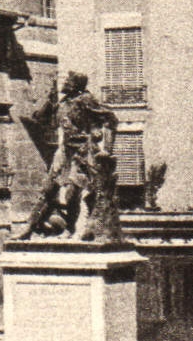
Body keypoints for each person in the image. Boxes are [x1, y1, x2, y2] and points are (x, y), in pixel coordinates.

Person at [19, 71, 121, 242]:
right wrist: (49, 101)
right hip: (64, 151)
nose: (64, 83)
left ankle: (70, 228)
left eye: (68, 80)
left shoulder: (86, 100)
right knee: (48, 189)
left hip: (82, 151)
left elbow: (111, 118)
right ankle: (29, 227)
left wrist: (108, 149)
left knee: (73, 192)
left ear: (76, 84)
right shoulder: (63, 102)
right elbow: (41, 120)